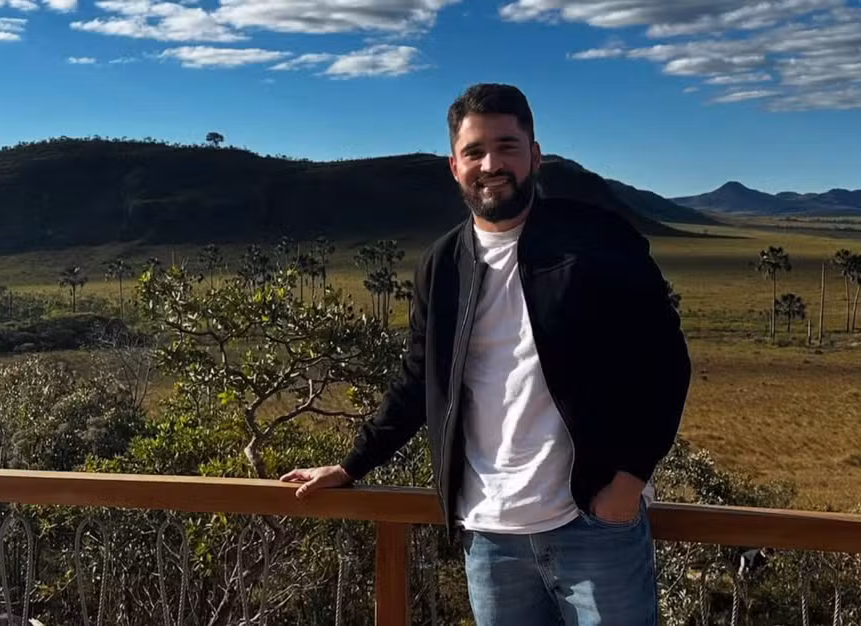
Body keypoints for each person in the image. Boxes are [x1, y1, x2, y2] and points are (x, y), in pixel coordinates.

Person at [279, 83, 692, 625]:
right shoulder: (443, 263)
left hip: (593, 524)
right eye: (474, 151)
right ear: (455, 166)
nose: (491, 164)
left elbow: (665, 362)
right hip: (489, 534)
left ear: (535, 156)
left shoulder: (598, 238)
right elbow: (417, 381)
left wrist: (629, 480)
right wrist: (352, 465)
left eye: (507, 147)